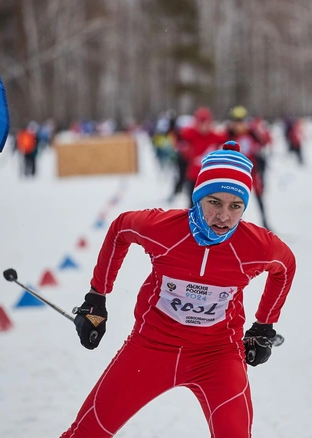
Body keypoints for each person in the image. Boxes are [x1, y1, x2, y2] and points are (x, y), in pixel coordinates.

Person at [62, 141, 297, 437]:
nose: (224, 216)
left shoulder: (255, 245)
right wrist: (97, 297)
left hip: (217, 356)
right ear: (197, 198)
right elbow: (121, 229)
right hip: (151, 348)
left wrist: (263, 326)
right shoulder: (165, 229)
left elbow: (285, 266)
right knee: (85, 434)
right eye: (214, 202)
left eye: (235, 206)